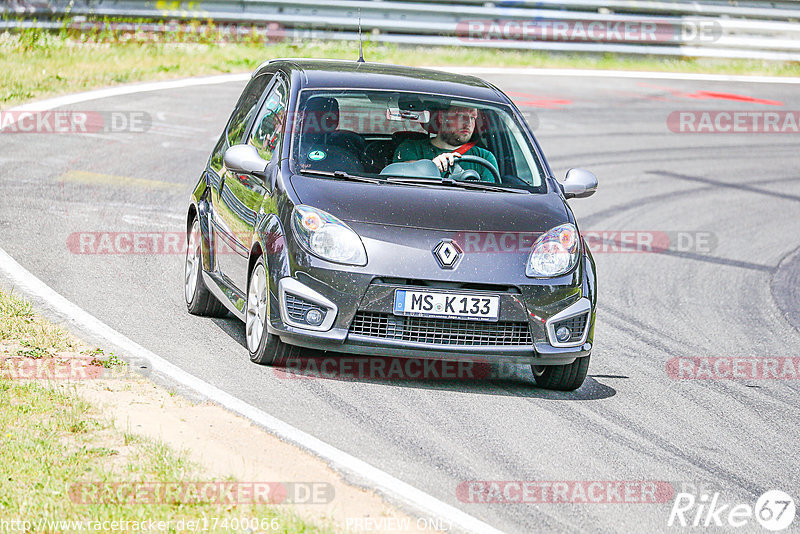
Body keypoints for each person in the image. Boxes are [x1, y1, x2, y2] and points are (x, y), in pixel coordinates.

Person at [393, 105, 499, 183]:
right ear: (442, 117)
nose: (468, 123)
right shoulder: (411, 148)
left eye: (473, 117)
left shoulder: (484, 158)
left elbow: (492, 198)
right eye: (461, 116)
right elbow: (400, 183)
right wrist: (431, 167)